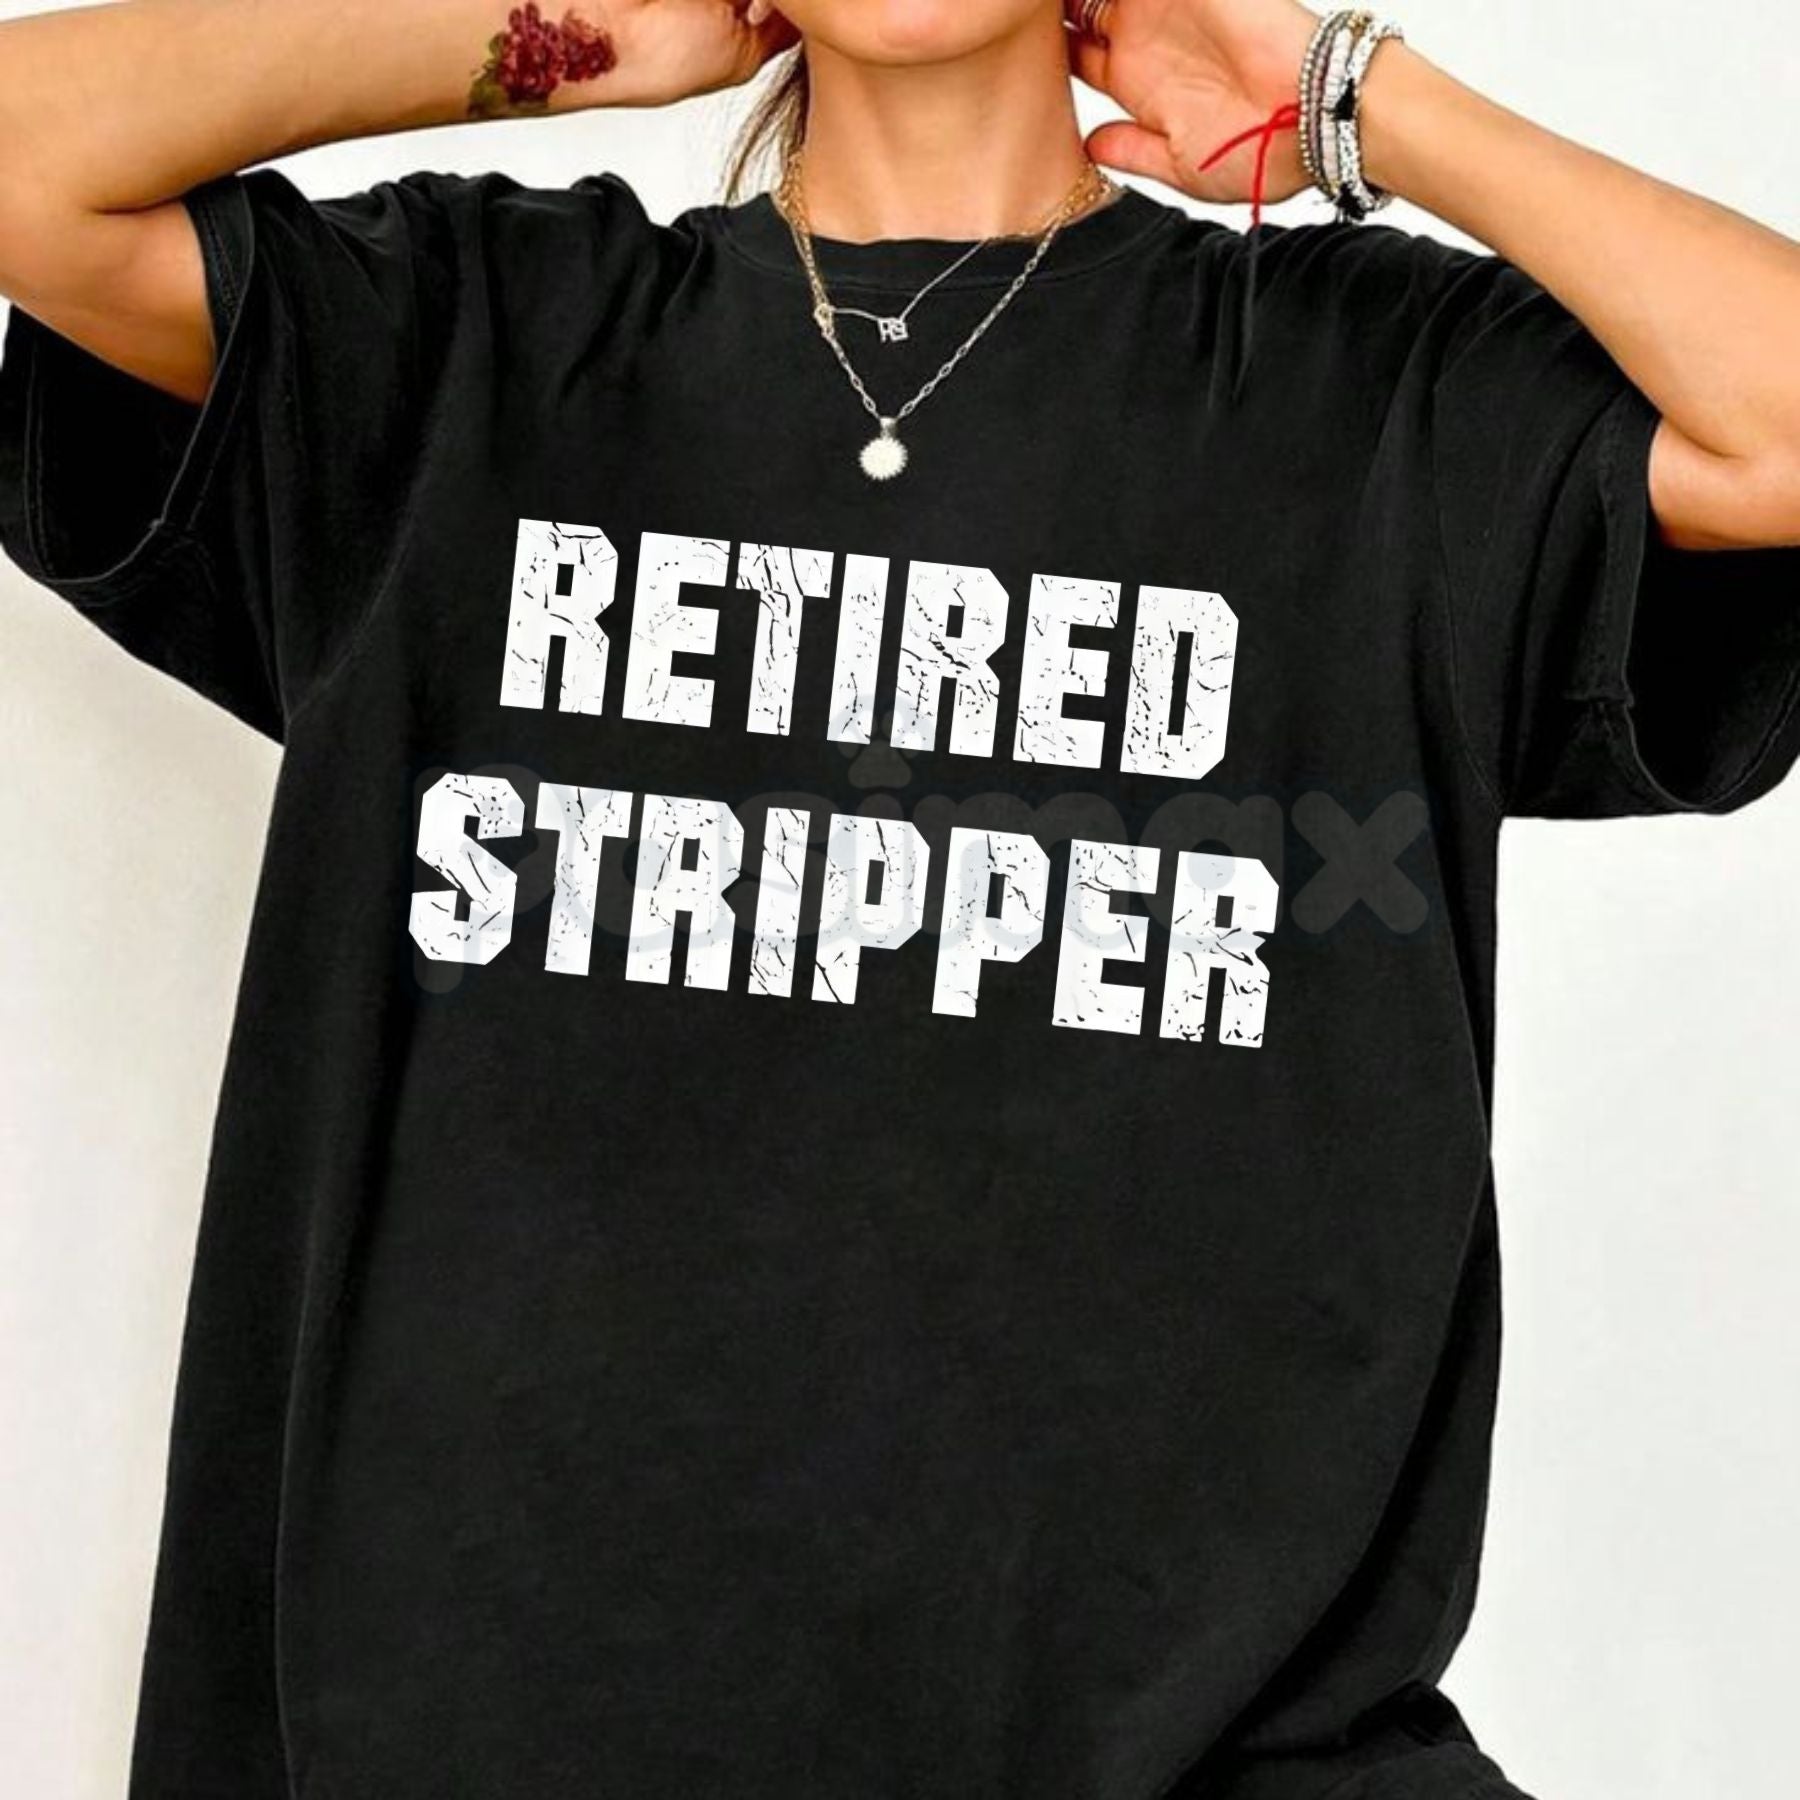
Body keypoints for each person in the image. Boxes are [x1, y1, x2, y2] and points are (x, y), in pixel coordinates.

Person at [1, 0, 1795, 1795]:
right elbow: (28, 164)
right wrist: (560, 34)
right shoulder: (466, 342)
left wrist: (1352, 103)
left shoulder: (1369, 390)